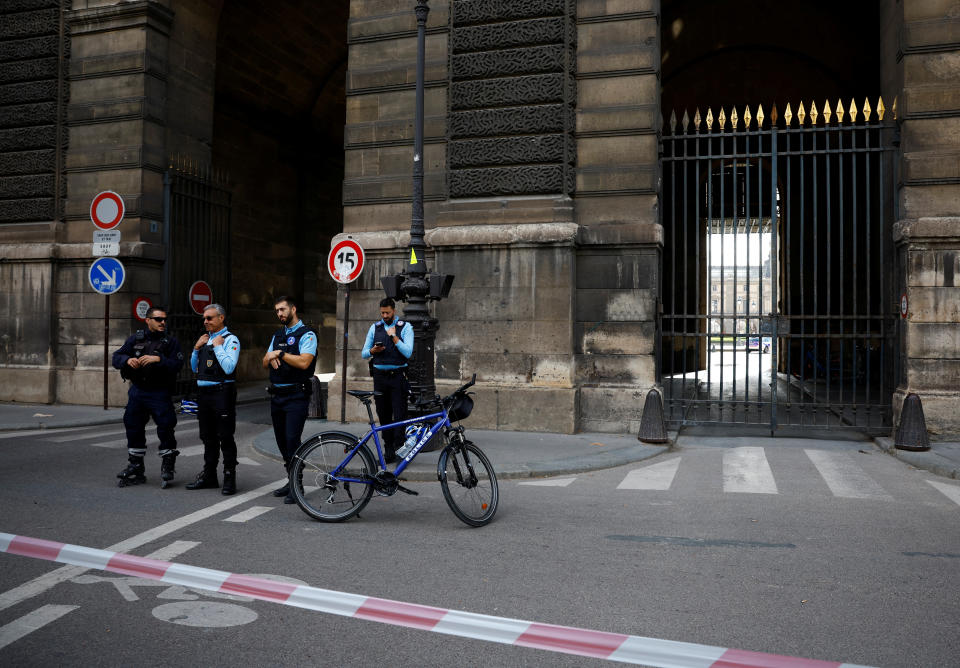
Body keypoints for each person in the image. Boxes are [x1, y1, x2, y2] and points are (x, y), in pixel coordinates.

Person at [112, 307, 184, 487]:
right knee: (133, 426)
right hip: (138, 390)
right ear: (148, 320)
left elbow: (177, 365)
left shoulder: (170, 342)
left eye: (164, 319)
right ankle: (136, 467)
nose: (162, 323)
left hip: (160, 392)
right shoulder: (135, 339)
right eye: (158, 319)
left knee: (166, 427)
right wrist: (127, 360)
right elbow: (116, 357)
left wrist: (159, 360)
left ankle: (167, 465)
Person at [262, 296, 317, 503]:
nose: (280, 314)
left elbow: (304, 362)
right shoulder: (277, 335)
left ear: (293, 309)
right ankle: (290, 478)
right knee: (282, 441)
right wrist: (270, 356)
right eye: (277, 311)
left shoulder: (307, 334)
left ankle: (297, 484)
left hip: (296, 396)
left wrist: (281, 354)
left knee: (292, 439)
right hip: (277, 396)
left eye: (283, 309)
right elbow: (264, 360)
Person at [185, 304, 241, 495]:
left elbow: (229, 367)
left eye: (209, 318)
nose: (205, 321)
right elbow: (195, 369)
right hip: (203, 395)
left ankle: (229, 477)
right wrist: (196, 348)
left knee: (225, 436)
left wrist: (217, 347)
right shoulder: (204, 340)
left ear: (221, 318)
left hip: (221, 392)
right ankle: (209, 476)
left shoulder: (230, 339)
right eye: (204, 318)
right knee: (207, 437)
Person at [361, 298, 413, 463]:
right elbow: (364, 353)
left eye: (387, 313)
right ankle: (389, 452)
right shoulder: (374, 328)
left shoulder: (405, 327)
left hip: (398, 377)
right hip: (380, 378)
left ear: (394, 311)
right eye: (382, 313)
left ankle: (400, 451)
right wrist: (373, 350)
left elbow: (408, 353)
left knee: (399, 415)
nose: (384, 315)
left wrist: (394, 338)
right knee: (383, 415)